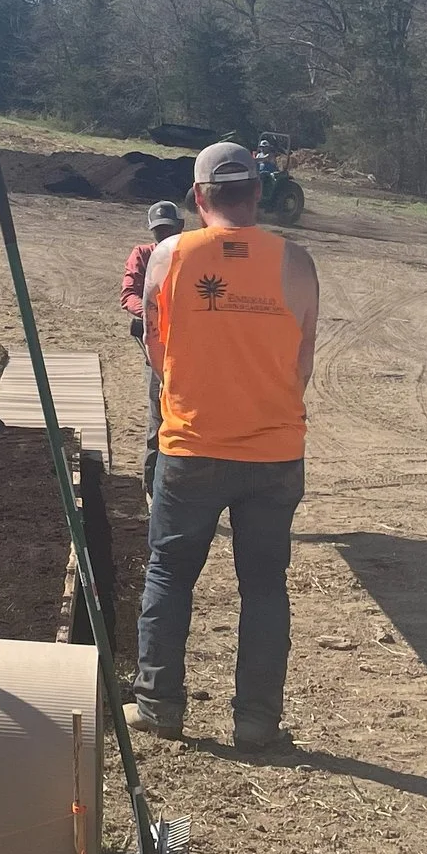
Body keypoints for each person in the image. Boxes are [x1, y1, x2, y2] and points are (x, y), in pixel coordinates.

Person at [128, 141, 320, 751]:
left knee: (168, 575)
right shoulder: (297, 262)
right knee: (264, 587)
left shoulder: (166, 257)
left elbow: (156, 355)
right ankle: (256, 722)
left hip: (190, 447)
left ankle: (159, 705)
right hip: (273, 453)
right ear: (258, 193)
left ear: (198, 197)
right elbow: (302, 362)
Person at [118, 201, 185, 496]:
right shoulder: (143, 255)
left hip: (191, 348)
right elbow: (129, 293)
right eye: (159, 232)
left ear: (179, 227)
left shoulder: (191, 254)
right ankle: (152, 488)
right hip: (158, 345)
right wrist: (149, 313)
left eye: (168, 230)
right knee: (158, 417)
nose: (163, 236)